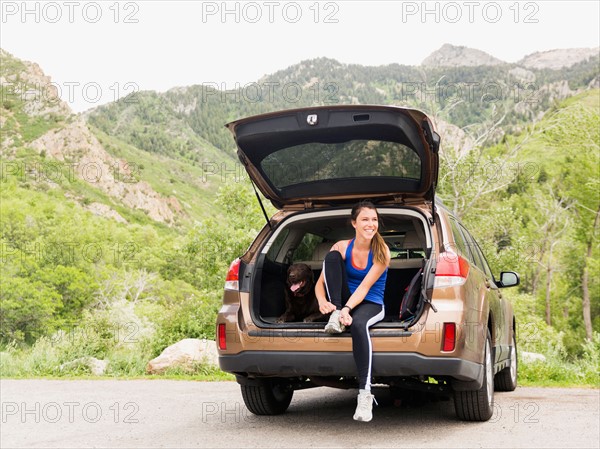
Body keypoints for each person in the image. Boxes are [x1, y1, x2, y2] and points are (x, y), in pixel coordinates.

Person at [315, 200, 390, 422]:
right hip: (345, 303)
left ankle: (365, 394)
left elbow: (366, 287)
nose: (371, 224)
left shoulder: (382, 251)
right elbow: (321, 283)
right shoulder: (341, 246)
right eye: (365, 219)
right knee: (331, 257)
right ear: (354, 223)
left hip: (371, 303)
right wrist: (323, 302)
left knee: (358, 324)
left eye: (374, 219)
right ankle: (336, 315)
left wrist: (347, 309)